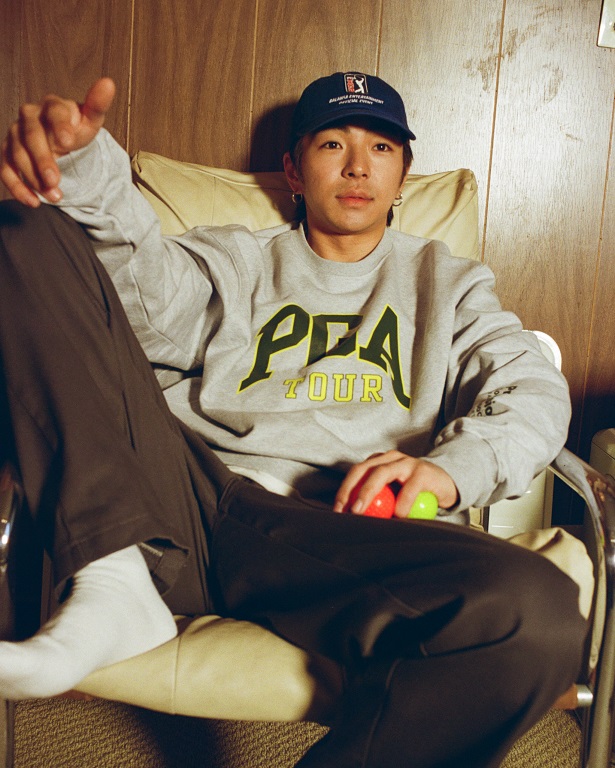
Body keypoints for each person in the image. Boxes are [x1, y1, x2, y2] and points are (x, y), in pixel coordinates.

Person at [0, 71, 589, 767]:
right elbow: (141, 300)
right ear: (293, 170)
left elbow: (530, 388)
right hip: (187, 507)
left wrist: (448, 471)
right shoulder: (234, 259)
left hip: (347, 537)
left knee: (540, 612)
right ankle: (112, 576)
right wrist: (80, 163)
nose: (357, 166)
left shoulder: (450, 285)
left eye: (381, 147)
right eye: (332, 143)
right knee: (21, 222)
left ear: (403, 175)